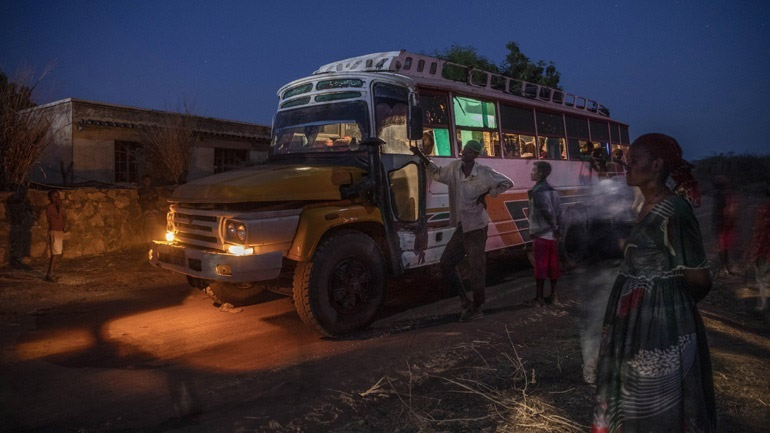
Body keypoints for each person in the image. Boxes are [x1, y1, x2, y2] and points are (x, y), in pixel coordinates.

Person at [592, 133, 715, 433]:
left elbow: (699, 279)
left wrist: (667, 303)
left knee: (656, 403)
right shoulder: (642, 207)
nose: (626, 165)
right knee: (632, 397)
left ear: (657, 165)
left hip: (661, 327)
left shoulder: (675, 212)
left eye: (634, 161)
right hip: (634, 323)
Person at [411, 140, 513, 321]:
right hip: (462, 225)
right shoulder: (454, 168)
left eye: (468, 151)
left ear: (475, 155)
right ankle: (464, 301)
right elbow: (436, 173)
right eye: (464, 149)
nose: (464, 152)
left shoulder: (484, 172)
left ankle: (477, 307)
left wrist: (487, 194)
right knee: (446, 263)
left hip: (476, 226)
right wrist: (421, 156)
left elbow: (507, 182)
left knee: (476, 268)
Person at [527, 161, 562, 306]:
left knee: (540, 266)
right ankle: (554, 296)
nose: (531, 173)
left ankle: (539, 298)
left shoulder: (538, 191)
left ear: (540, 174)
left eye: (534, 170)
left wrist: (553, 226)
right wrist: (557, 228)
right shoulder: (552, 190)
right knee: (553, 265)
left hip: (542, 233)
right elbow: (558, 211)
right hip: (552, 235)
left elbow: (545, 210)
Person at [750, 185, 770, 311]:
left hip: (765, 248)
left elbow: (758, 231)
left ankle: (763, 304)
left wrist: (754, 252)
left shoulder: (763, 209)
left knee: (763, 278)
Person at [712, 175, 736, 276]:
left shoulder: (719, 194)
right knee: (723, 246)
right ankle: (725, 268)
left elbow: (717, 210)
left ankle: (725, 267)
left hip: (722, 223)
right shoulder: (720, 194)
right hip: (722, 224)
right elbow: (719, 210)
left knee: (723, 246)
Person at [45, 190, 65, 282]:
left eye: (58, 196)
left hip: (59, 231)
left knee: (56, 252)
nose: (57, 198)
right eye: (55, 197)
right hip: (54, 231)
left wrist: (60, 208)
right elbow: (56, 217)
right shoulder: (50, 207)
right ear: (49, 198)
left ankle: (51, 273)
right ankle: (49, 274)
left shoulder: (58, 207)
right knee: (54, 253)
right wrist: (60, 208)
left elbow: (63, 217)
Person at [137, 175, 162, 249]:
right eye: (146, 180)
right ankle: (148, 245)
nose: (147, 182)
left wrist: (150, 198)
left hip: (153, 210)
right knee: (147, 228)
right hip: (146, 211)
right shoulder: (140, 190)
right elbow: (141, 200)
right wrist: (148, 198)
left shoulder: (153, 189)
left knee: (154, 227)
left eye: (149, 180)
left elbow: (156, 198)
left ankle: (154, 244)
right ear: (143, 181)